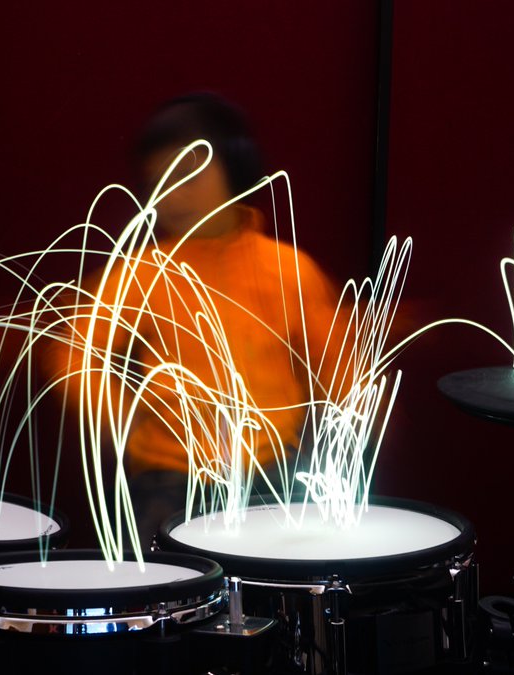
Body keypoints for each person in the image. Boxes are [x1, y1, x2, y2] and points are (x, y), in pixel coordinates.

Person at [42, 92, 346, 549]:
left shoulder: (289, 269)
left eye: (188, 176)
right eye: (158, 183)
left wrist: (343, 430)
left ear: (235, 169)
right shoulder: (143, 270)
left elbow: (337, 364)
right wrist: (122, 420)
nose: (173, 196)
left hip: (275, 473)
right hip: (170, 477)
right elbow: (74, 354)